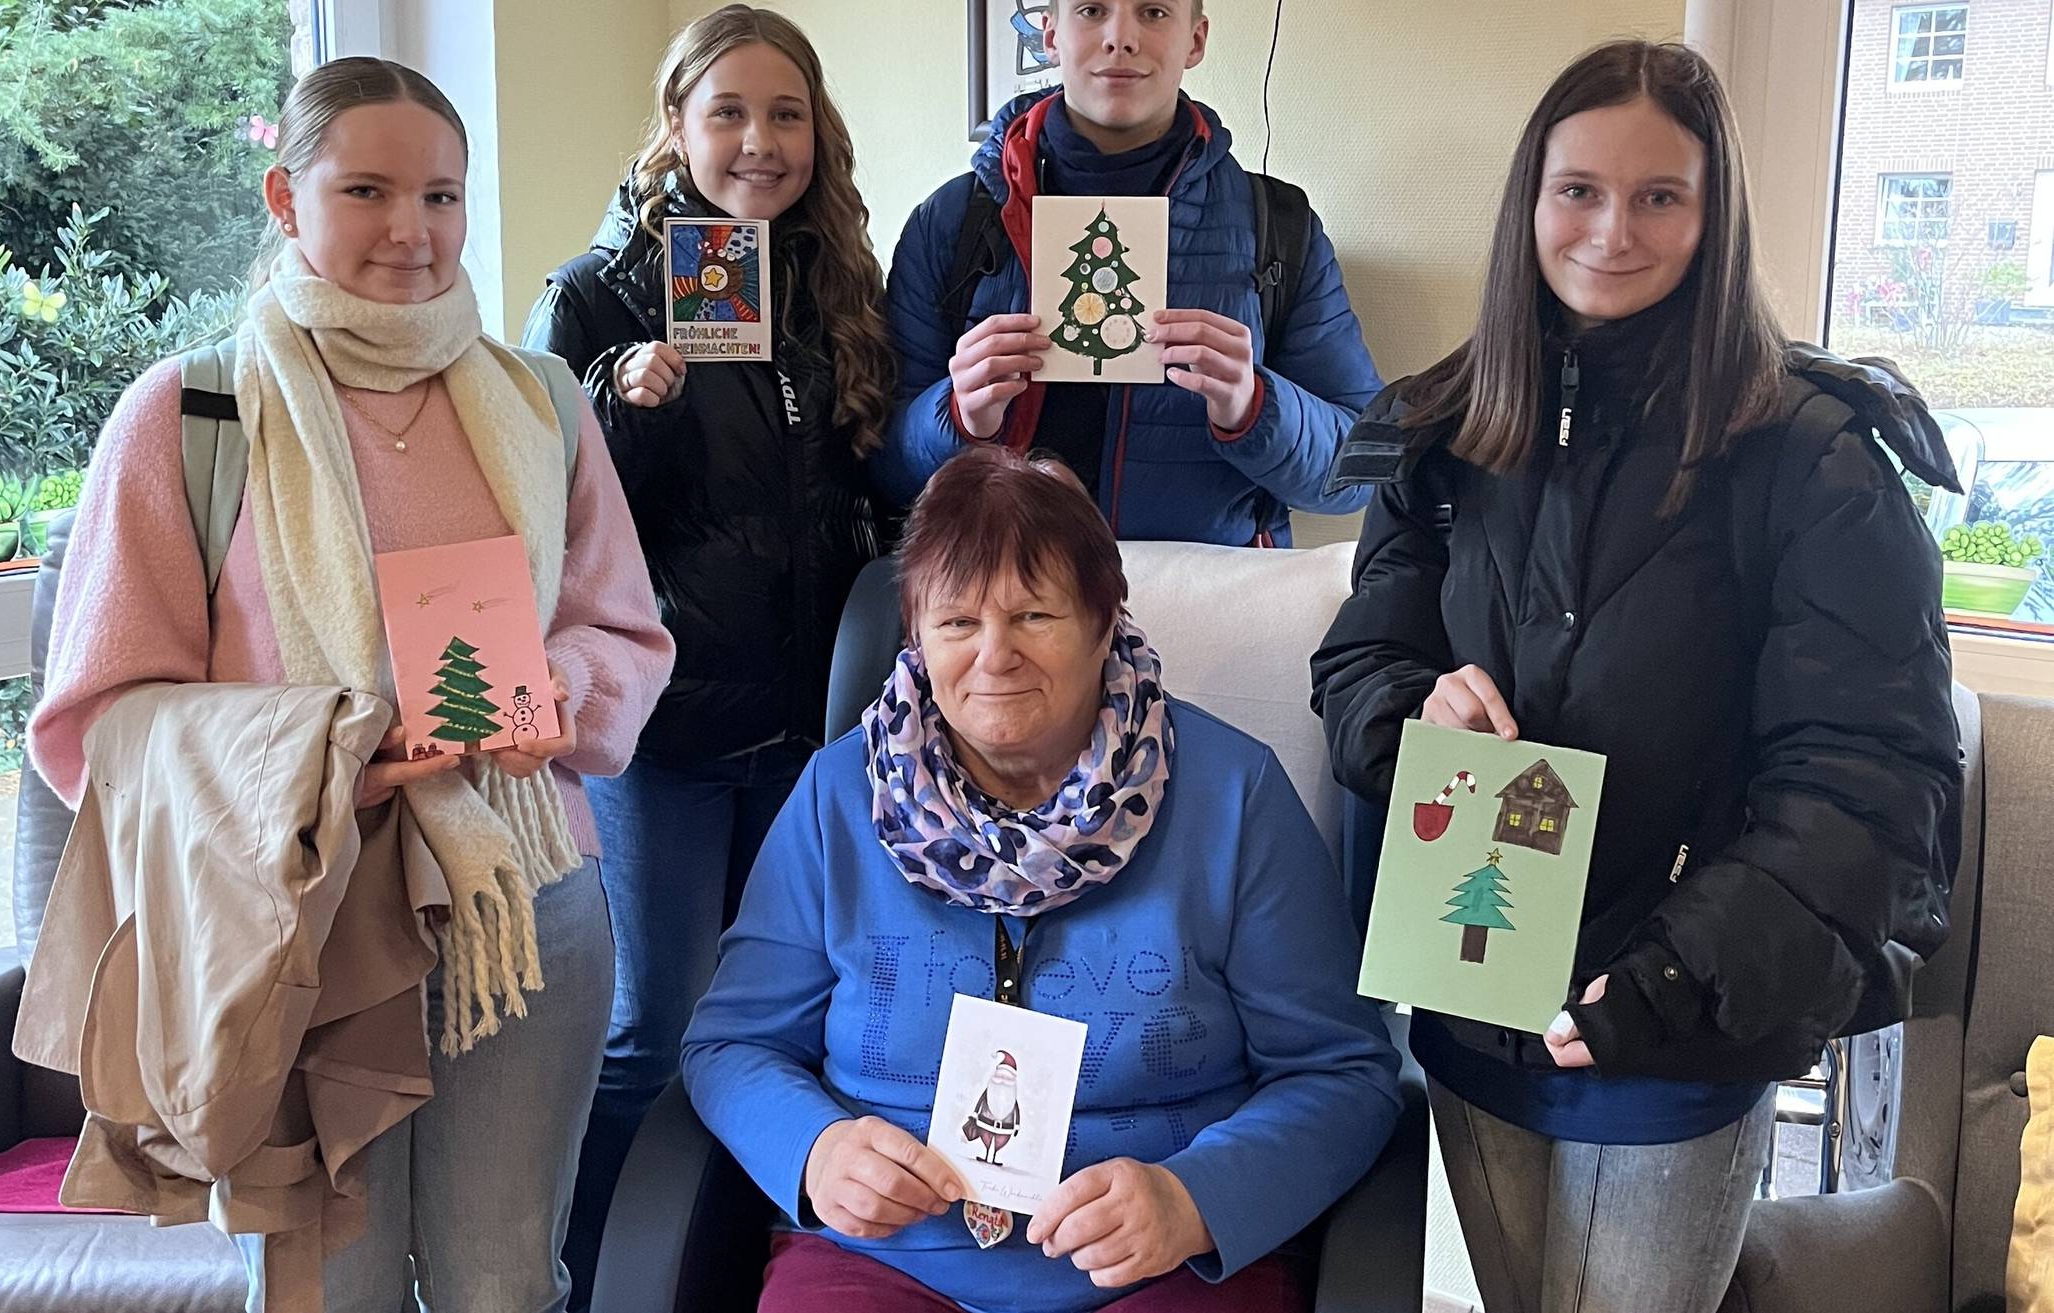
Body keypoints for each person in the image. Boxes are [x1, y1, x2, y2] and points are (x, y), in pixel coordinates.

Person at [1309, 41, 1961, 1313]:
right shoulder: (1447, 428)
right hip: (1476, 993)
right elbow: (1363, 656)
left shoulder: (1816, 459)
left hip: (1679, 1026)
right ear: (1530, 203)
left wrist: (1668, 974)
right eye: (1579, 191)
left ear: (1714, 218)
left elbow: (1870, 782)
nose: (1612, 230)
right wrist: (1410, 709)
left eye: (1659, 195)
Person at [29, 56, 671, 1311]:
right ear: (285, 197)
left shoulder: (540, 402)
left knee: (505, 1283)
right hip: (296, 918)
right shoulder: (190, 417)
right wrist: (321, 758)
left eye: (441, 196)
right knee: (329, 1287)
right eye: (366, 189)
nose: (409, 231)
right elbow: (94, 725)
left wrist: (562, 683)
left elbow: (628, 633)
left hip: (524, 899)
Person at [682, 444, 1403, 1313]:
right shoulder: (840, 797)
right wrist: (818, 1148)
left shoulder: (1233, 795)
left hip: (1158, 1265)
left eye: (1033, 616)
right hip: (886, 1259)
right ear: (916, 635)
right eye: (956, 623)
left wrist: (1195, 1199)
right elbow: (730, 1043)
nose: (995, 656)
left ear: (1104, 622)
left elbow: (1344, 1073)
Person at [517, 5, 897, 1296]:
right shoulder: (593, 293)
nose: (758, 141)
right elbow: (532, 514)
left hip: (808, 735)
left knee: (779, 1031)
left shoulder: (835, 283)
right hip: (664, 740)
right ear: (674, 127)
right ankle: (598, 1276)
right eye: (728, 111)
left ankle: (729, 1264)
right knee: (656, 1031)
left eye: (785, 113)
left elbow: (862, 487)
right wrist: (625, 404)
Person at [873, 0, 1384, 545]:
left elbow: (1365, 470)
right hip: (998, 603)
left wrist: (1255, 405)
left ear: (1196, 40)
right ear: (1049, 35)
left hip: (1198, 604)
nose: (1121, 37)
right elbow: (880, 468)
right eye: (1092, 10)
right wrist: (956, 416)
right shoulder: (951, 222)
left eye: (1155, 12)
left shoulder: (1278, 227)